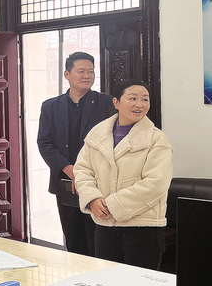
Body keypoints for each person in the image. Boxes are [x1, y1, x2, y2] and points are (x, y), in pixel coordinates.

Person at [74, 80, 173, 270]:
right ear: (117, 102)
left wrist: (112, 205)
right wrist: (92, 198)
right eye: (133, 98)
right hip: (105, 224)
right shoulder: (97, 135)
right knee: (108, 280)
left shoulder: (156, 139)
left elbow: (156, 183)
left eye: (145, 99)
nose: (139, 104)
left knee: (140, 283)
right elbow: (83, 170)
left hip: (143, 226)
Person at [37, 52, 114, 256]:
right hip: (65, 182)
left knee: (99, 240)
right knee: (74, 239)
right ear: (67, 74)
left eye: (91, 71)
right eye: (81, 71)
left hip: (98, 182)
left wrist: (84, 174)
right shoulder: (50, 106)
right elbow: (45, 143)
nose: (87, 76)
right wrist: (70, 170)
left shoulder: (107, 103)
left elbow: (111, 143)